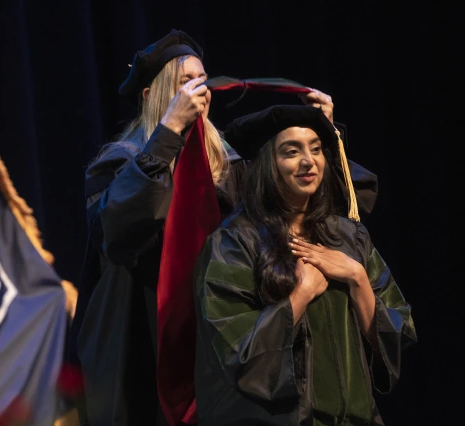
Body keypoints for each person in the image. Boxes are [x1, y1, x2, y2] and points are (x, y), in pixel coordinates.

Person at [71, 28, 379, 426]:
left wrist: (324, 134)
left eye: (202, 80)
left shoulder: (230, 165)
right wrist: (168, 136)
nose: (199, 90)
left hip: (223, 330)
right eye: (185, 82)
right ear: (151, 96)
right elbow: (119, 232)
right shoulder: (118, 163)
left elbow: (324, 204)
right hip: (145, 335)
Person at [192, 104, 417, 425]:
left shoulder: (349, 236)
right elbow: (234, 353)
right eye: (292, 151)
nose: (308, 161)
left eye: (315, 149)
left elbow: (398, 330)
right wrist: (300, 295)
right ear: (269, 164)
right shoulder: (234, 243)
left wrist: (357, 278)